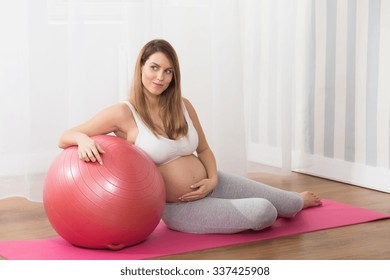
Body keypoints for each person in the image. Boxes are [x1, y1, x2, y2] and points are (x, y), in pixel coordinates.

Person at [58, 39, 322, 234]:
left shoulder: (183, 105)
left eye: (168, 71)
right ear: (140, 67)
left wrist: (212, 180)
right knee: (264, 211)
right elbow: (65, 136)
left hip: (212, 184)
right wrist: (83, 140)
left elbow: (204, 150)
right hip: (179, 207)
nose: (160, 77)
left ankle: (296, 202)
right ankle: (236, 208)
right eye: (154, 67)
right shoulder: (124, 112)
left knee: (289, 203)